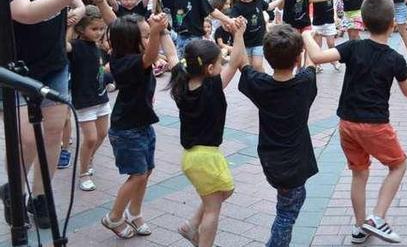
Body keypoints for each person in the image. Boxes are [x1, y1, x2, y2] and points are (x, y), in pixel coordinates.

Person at [1, 0, 105, 228]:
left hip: (54, 64)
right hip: (17, 70)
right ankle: (16, 193)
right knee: (26, 141)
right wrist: (69, 0)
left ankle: (41, 197)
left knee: (52, 136)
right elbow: (24, 13)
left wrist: (76, 4)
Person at [302, 0, 407, 244]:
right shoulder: (394, 58)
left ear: (362, 22)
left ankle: (360, 227)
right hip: (375, 126)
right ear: (393, 23)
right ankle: (377, 218)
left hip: (347, 124)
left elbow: (317, 57)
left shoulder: (353, 46)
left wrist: (307, 34)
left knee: (359, 174)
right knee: (399, 165)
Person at [237, 24, 320, 245]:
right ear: (297, 58)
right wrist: (308, 37)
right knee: (287, 214)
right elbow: (313, 62)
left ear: (265, 56)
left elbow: (242, 64)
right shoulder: (305, 82)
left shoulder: (260, 84)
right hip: (294, 164)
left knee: (284, 205)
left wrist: (238, 34)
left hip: (271, 159)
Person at [169, 24, 243, 247]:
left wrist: (162, 32)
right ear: (210, 69)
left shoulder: (181, 84)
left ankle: (191, 224)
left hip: (192, 157)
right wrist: (239, 34)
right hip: (206, 157)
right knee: (213, 209)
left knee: (225, 190)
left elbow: (172, 54)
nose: (223, 65)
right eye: (221, 62)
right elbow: (237, 59)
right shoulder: (213, 87)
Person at [102, 13, 175, 238]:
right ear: (129, 41)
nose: (147, 39)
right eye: (144, 36)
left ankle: (134, 213)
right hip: (126, 129)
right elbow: (151, 56)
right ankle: (113, 217)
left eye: (147, 35)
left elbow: (152, 52)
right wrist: (155, 32)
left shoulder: (129, 54)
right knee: (138, 174)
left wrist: (157, 29)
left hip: (142, 124)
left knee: (146, 171)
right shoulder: (126, 62)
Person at [66, 5, 115, 192]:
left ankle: (88, 158)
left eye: (101, 28)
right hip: (84, 100)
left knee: (102, 134)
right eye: (94, 29)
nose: (99, 32)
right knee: (90, 138)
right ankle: (83, 173)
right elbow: (64, 46)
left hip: (101, 97)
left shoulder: (98, 46)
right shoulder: (76, 46)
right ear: (81, 29)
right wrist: (70, 25)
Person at [160, 0, 234, 57]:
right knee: (182, 65)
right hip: (179, 36)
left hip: (194, 38)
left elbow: (212, 11)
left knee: (192, 64)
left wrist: (229, 20)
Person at [229, 0, 270, 73]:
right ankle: (253, 86)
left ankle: (264, 82)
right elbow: (232, 19)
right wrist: (237, 19)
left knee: (257, 65)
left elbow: (269, 7)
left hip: (258, 40)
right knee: (249, 68)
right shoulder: (237, 6)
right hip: (245, 43)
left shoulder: (258, 1)